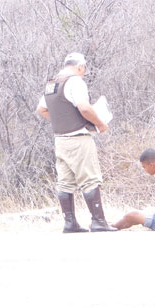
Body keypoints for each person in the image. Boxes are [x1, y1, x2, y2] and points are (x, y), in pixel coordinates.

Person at [36, 52, 116, 233]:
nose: (83, 73)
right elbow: (85, 108)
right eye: (84, 70)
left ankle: (70, 223)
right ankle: (98, 221)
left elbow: (41, 109)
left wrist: (62, 121)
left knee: (65, 182)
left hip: (60, 140)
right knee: (90, 179)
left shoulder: (52, 84)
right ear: (80, 66)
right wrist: (100, 124)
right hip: (78, 139)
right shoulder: (75, 82)